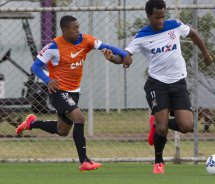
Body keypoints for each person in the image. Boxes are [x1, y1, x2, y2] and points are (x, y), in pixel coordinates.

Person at [105, 0, 212, 174]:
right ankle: (159, 162)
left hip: (178, 82)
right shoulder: (142, 36)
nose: (161, 20)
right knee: (163, 127)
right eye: (157, 17)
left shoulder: (174, 25)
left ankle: (156, 123)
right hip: (157, 83)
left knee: (186, 125)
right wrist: (113, 58)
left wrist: (206, 54)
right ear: (149, 17)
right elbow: (125, 56)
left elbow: (194, 34)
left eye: (163, 16)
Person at [15, 15, 131, 171]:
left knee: (62, 130)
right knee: (79, 117)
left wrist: (125, 55)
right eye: (74, 28)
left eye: (78, 27)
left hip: (74, 92)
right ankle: (84, 161)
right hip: (58, 91)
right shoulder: (54, 46)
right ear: (65, 30)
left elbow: (107, 46)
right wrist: (48, 80)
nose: (78, 30)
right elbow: (35, 67)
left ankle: (32, 123)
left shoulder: (86, 40)